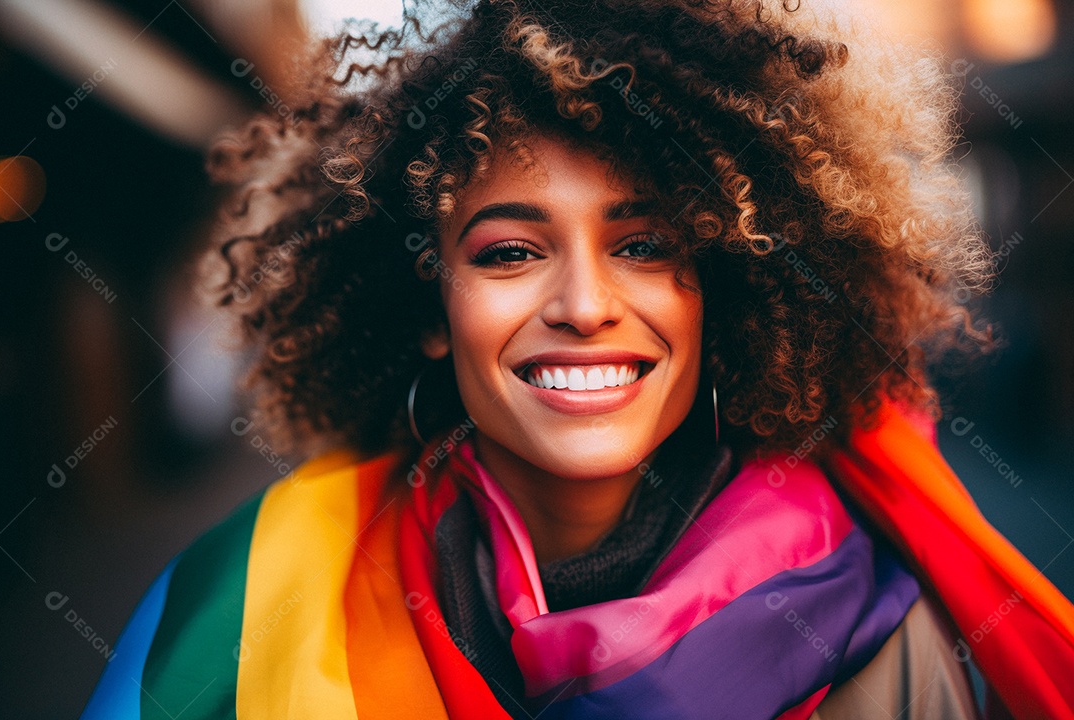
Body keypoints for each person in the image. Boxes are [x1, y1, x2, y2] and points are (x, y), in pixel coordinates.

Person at [80, 0, 1074, 718]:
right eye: (510, 252)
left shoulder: (884, 644)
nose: (587, 306)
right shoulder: (241, 608)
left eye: (645, 245)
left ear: (718, 286)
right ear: (430, 302)